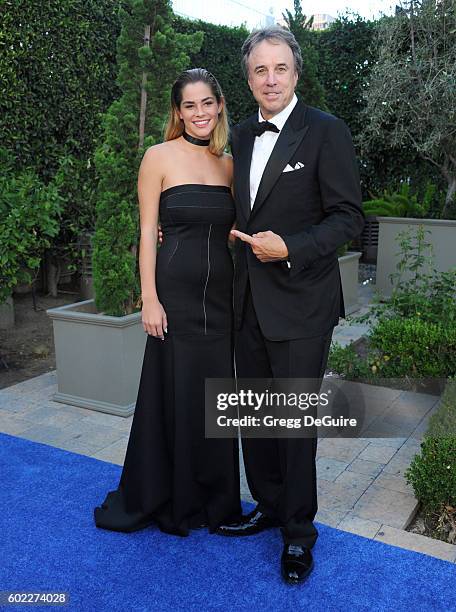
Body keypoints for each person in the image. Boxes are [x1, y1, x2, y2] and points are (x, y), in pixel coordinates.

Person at [214, 27, 365, 585]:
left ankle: (299, 534)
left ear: (295, 74)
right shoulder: (245, 138)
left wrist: (291, 249)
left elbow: (348, 218)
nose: (270, 79)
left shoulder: (327, 132)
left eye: (280, 68)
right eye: (260, 70)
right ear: (249, 78)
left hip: (302, 303)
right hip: (248, 302)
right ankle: (270, 506)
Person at [94, 68, 242, 537]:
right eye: (189, 105)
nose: (199, 113)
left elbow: (236, 233)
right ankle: (171, 498)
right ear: (177, 112)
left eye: (207, 103)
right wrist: (149, 299)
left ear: (219, 105)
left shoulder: (230, 163)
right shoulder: (157, 157)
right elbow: (146, 233)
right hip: (172, 299)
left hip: (221, 300)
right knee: (173, 396)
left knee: (214, 399)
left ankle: (216, 500)